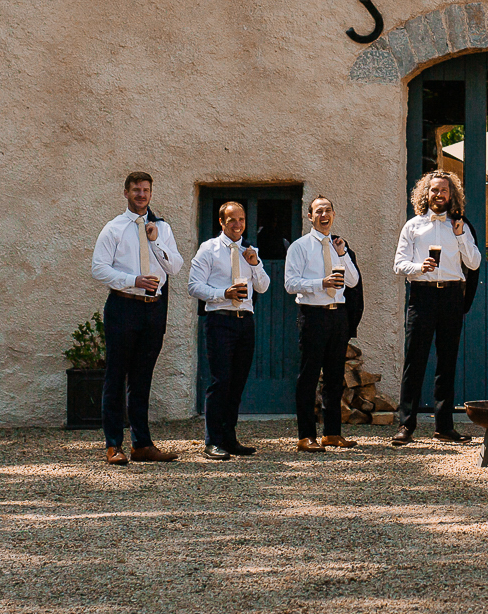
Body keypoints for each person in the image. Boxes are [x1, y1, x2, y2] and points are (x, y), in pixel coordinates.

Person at [89, 172, 185, 465]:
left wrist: (156, 241)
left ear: (151, 193)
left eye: (145, 190)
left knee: (142, 379)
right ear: (126, 193)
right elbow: (99, 268)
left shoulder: (162, 229)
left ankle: (142, 444)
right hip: (123, 307)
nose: (141, 195)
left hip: (153, 309)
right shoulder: (114, 228)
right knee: (116, 377)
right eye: (136, 190)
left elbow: (176, 267)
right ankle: (113, 445)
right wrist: (133, 280)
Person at [390, 170, 481, 446]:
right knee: (414, 362)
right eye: (434, 190)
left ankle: (444, 427)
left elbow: (474, 263)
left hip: (452, 296)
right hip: (422, 296)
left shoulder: (461, 226)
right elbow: (398, 264)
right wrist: (420, 267)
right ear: (425, 194)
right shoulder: (413, 226)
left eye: (444, 190)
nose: (438, 194)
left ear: (451, 195)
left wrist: (461, 235)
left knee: (447, 362)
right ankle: (406, 425)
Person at [188, 200, 270, 461]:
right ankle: (213, 441)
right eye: (232, 220)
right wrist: (222, 293)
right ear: (221, 222)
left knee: (237, 383)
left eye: (242, 219)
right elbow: (193, 286)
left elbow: (264, 286)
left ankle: (230, 438)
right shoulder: (208, 249)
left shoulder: (250, 249)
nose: (238, 224)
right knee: (220, 381)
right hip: (220, 320)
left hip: (245, 321)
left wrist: (255, 263)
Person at [285, 195, 362, 452]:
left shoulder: (339, 246)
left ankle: (332, 433)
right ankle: (306, 435)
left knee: (334, 376)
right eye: (318, 211)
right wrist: (321, 283)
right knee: (308, 377)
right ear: (310, 216)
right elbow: (290, 284)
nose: (324, 215)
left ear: (334, 214)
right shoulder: (300, 247)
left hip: (338, 315)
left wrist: (343, 255)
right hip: (313, 315)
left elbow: (352, 281)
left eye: (328, 210)